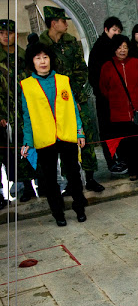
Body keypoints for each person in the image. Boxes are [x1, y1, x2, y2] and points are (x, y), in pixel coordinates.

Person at [20, 43, 87, 226]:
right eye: (38, 58)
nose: (42, 61)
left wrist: (79, 132)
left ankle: (79, 207)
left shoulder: (63, 80)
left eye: (45, 57)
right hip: (44, 138)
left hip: (66, 134)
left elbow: (73, 108)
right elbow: (27, 116)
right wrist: (28, 141)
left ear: (51, 59)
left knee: (74, 174)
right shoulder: (26, 86)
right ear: (32, 62)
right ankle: (58, 213)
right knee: (50, 179)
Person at [39, 6, 104, 192]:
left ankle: (90, 177)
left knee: (86, 136)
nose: (66, 24)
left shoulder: (72, 43)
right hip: (54, 103)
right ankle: (70, 181)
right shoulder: (41, 46)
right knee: (64, 142)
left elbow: (81, 70)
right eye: (63, 21)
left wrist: (72, 96)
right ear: (54, 23)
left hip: (77, 99)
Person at [99, 35, 138, 181]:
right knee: (125, 144)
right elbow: (104, 88)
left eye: (125, 47)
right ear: (114, 49)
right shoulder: (107, 67)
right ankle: (132, 171)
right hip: (119, 113)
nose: (122, 50)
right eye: (119, 47)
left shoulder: (137, 64)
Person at [0, 18, 36, 205]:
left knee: (35, 146)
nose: (6, 37)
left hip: (29, 110)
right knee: (17, 151)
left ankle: (43, 183)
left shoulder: (25, 56)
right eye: (2, 34)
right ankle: (26, 186)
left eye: (10, 33)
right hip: (9, 115)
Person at [87, 15, 127, 174]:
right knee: (107, 130)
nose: (116, 33)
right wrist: (104, 92)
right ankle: (112, 161)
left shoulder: (117, 46)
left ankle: (122, 158)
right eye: (114, 30)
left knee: (120, 129)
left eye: (119, 31)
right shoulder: (99, 48)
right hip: (105, 98)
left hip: (119, 98)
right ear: (106, 30)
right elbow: (93, 75)